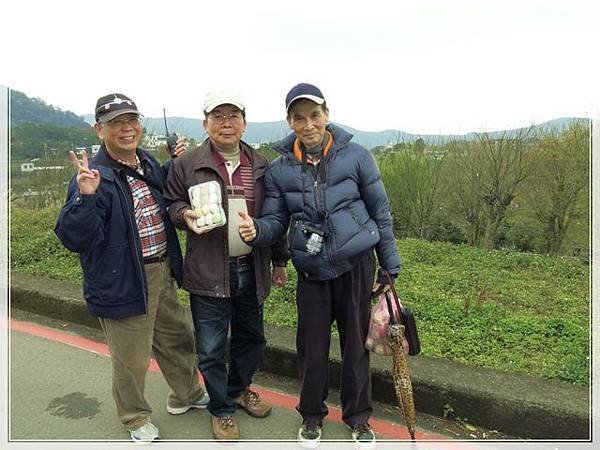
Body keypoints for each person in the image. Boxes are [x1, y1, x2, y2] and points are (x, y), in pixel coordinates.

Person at [238, 83, 401, 448]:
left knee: (356, 346)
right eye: (299, 117)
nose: (308, 124)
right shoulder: (281, 169)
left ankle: (358, 418)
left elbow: (381, 213)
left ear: (326, 114)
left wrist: (388, 264)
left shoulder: (357, 156)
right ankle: (311, 416)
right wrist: (255, 230)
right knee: (311, 348)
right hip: (311, 270)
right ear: (289, 121)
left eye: (314, 115)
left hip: (356, 265)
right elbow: (275, 221)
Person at [54, 93, 208, 443]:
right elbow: (75, 237)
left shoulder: (146, 162)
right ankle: (134, 416)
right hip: (122, 278)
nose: (127, 129)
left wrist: (172, 163)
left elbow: (156, 192)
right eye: (116, 123)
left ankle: (187, 394)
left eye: (132, 120)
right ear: (99, 130)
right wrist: (85, 197)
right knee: (131, 358)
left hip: (161, 270)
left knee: (177, 339)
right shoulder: (93, 176)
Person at [163, 89, 289, 440]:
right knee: (212, 347)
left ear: (245, 123)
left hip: (252, 264)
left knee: (252, 339)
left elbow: (275, 215)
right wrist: (183, 214)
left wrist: (279, 260)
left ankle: (237, 389)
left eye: (233, 115)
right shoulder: (186, 163)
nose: (226, 123)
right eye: (217, 116)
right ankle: (220, 408)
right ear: (205, 123)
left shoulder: (262, 165)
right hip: (208, 269)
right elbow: (170, 203)